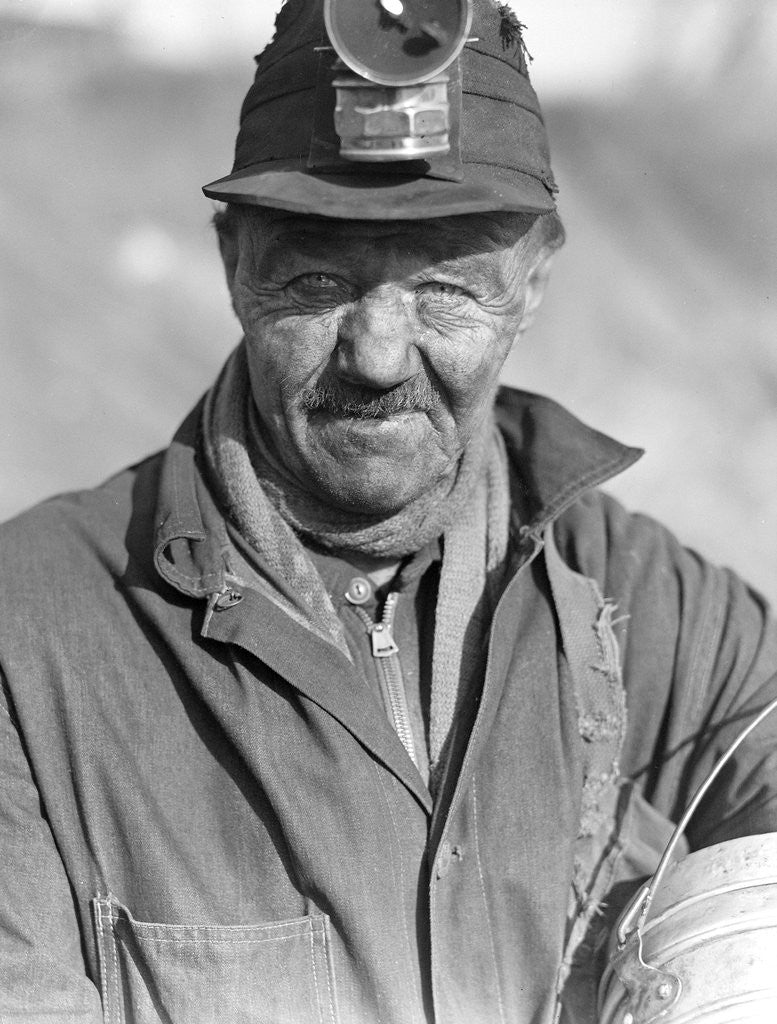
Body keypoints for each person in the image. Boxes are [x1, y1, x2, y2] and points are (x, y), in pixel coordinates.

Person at [1, 1, 776, 1022]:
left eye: (446, 287)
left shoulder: (646, 607)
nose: (375, 354)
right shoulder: (31, 642)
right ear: (235, 264)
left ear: (533, 280)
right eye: (318, 279)